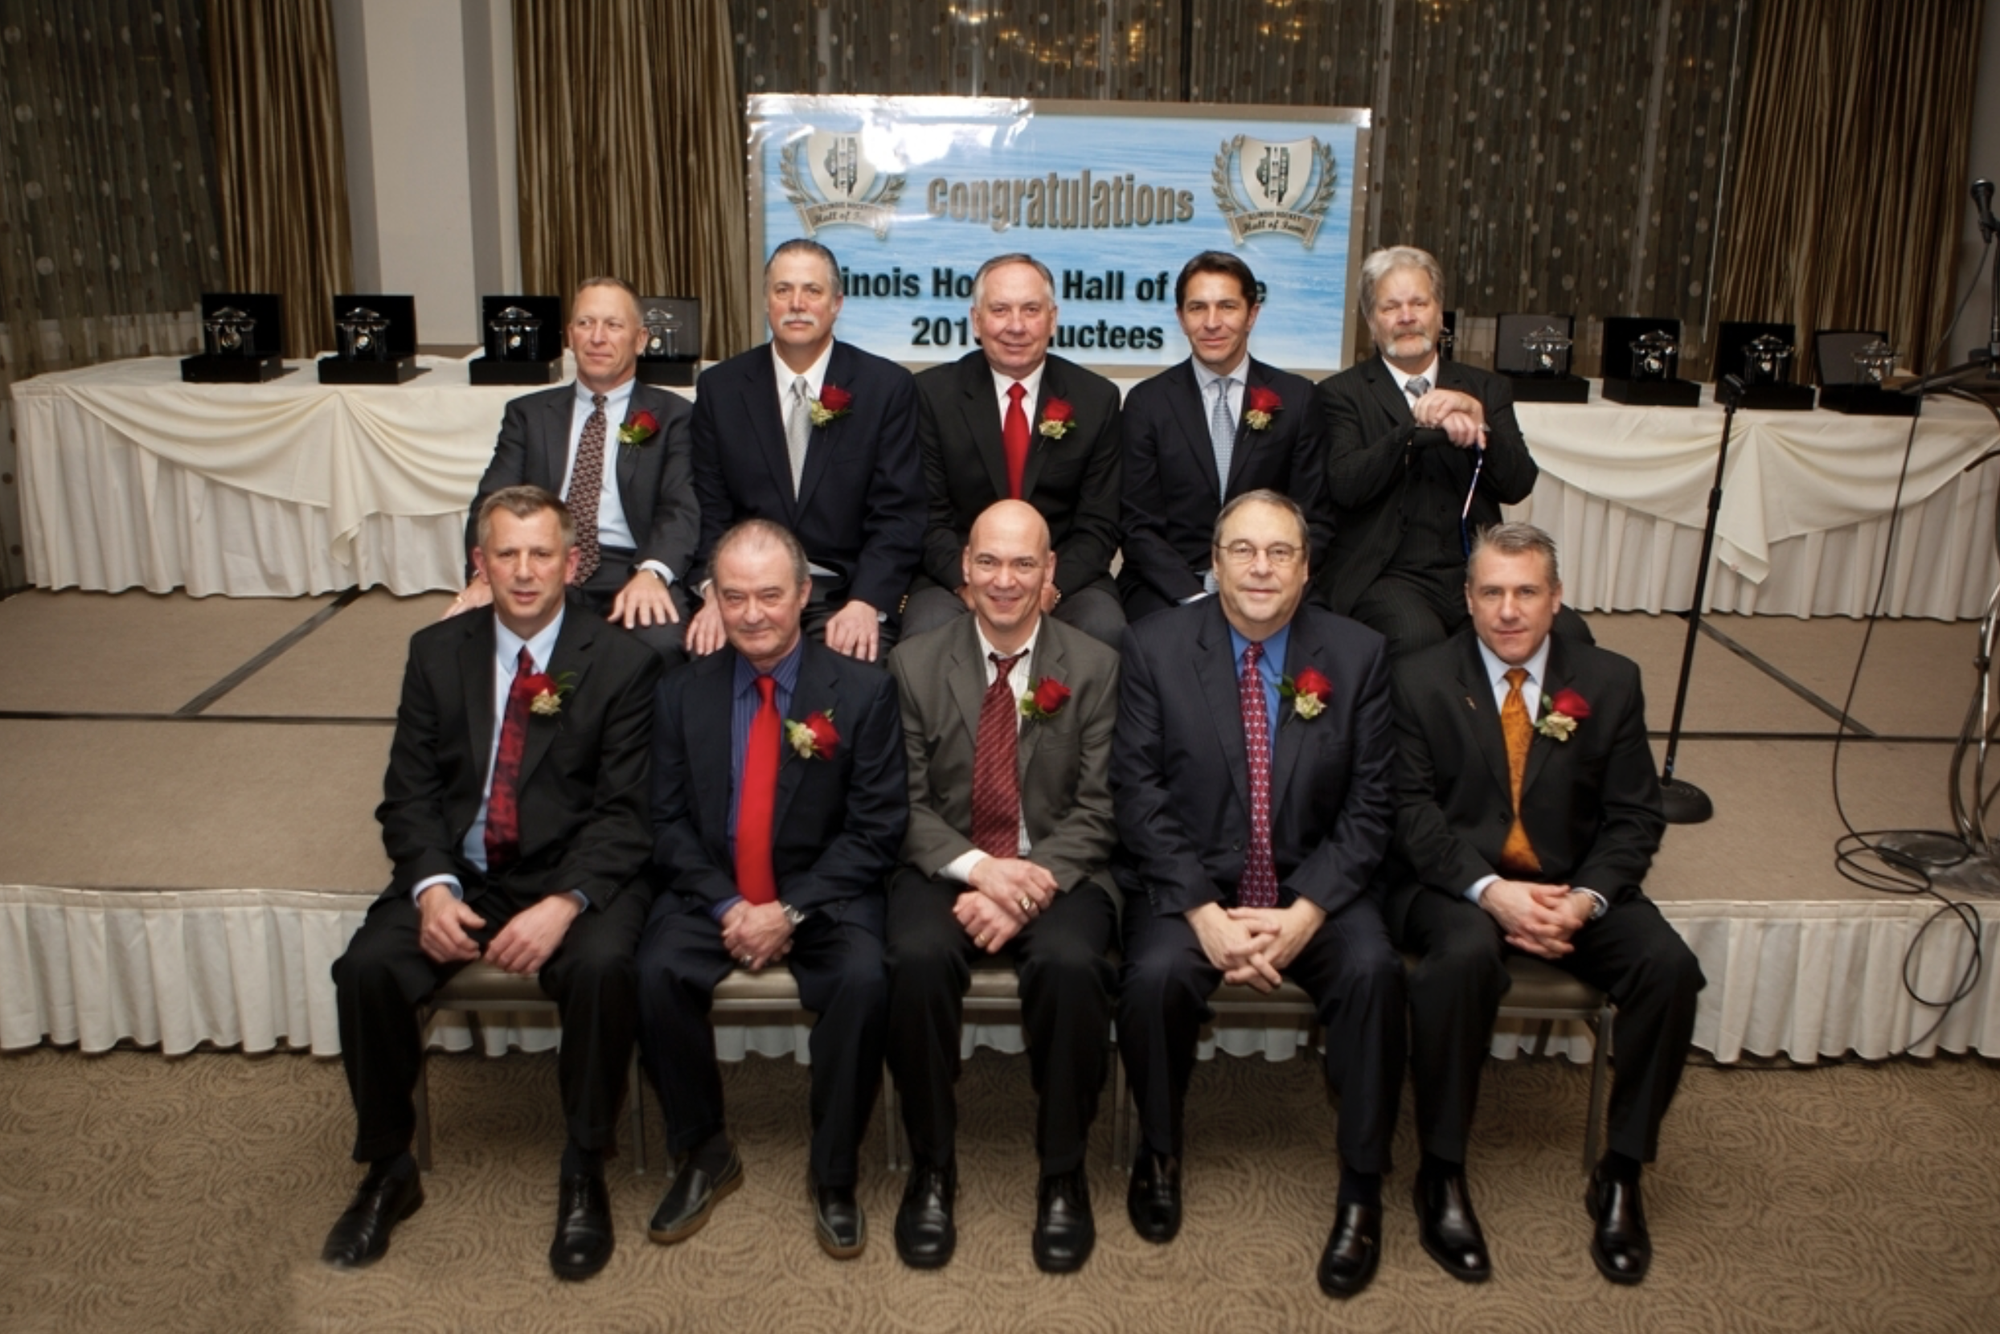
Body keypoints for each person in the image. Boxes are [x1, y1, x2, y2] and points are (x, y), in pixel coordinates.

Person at [324, 485, 661, 1281]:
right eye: (506, 553)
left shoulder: (623, 663)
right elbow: (407, 796)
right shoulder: (434, 652)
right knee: (367, 969)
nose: (524, 570)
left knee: (602, 966)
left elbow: (626, 814)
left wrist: (562, 904)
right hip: (463, 870)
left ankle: (585, 1164)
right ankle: (388, 1168)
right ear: (480, 563)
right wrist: (433, 888)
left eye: (542, 553)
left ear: (573, 564)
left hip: (569, 875)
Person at [1385, 521, 1703, 1286]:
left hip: (1569, 883)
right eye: (1491, 592)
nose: (1508, 610)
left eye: (1526, 592)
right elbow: (1409, 815)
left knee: (1668, 969)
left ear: (1557, 599)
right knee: (1460, 961)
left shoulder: (1610, 680)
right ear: (1467, 599)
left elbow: (1633, 817)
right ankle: (1442, 1172)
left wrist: (1587, 899)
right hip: (1456, 884)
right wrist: (1492, 894)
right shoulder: (1418, 680)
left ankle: (1621, 1172)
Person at [1111, 488, 1405, 1300]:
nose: (1261, 567)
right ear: (1214, 562)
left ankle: (1362, 1187)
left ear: (1308, 569)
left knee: (1374, 973)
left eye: (1280, 552)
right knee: (1155, 977)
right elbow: (1137, 796)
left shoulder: (1358, 655)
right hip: (1195, 886)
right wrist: (1203, 914)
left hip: (1316, 886)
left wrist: (1307, 911)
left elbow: (1371, 805)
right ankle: (1159, 1151)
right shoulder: (1154, 647)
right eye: (1242, 549)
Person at [638, 519, 907, 1260]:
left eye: (769, 595)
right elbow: (664, 823)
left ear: (805, 594)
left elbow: (876, 830)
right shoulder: (679, 692)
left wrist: (789, 911)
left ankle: (834, 1171)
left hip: (821, 894)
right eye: (733, 597)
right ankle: (704, 1152)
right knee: (655, 971)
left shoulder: (863, 692)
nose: (752, 614)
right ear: (713, 600)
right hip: (713, 892)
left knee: (862, 979)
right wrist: (729, 906)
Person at [882, 499, 1121, 1274]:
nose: (1005, 580)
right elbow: (904, 805)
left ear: (1051, 572)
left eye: (1023, 563)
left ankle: (1063, 1171)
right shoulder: (914, 664)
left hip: (1059, 862)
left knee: (1071, 965)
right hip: (950, 862)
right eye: (988, 561)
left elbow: (1100, 807)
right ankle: (931, 1166)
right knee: (916, 958)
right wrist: (983, 872)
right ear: (964, 568)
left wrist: (1027, 884)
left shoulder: (1095, 665)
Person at [1313, 245, 1591, 662]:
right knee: (1418, 641)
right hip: (1388, 573)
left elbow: (1518, 484)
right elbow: (1346, 485)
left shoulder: (1486, 388)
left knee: (1568, 633)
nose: (1406, 316)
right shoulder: (1340, 393)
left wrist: (1481, 424)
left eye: (1419, 303)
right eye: (1390, 307)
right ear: (1371, 321)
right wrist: (1413, 430)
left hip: (1478, 568)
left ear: (1439, 313)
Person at [683, 238, 925, 663]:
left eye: (812, 290)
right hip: (747, 591)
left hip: (841, 593)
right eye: (783, 290)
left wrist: (867, 601)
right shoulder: (721, 389)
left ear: (837, 304)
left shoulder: (886, 388)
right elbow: (710, 508)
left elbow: (898, 513)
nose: (797, 303)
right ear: (766, 301)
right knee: (703, 667)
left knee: (854, 678)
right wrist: (716, 593)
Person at [454, 277, 698, 666]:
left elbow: (681, 507)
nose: (597, 338)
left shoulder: (674, 417)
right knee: (477, 636)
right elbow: (491, 503)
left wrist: (653, 573)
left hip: (631, 562)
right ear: (570, 336)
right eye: (586, 323)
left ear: (640, 339)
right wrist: (483, 577)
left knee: (660, 643)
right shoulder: (528, 415)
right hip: (541, 561)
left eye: (613, 325)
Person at [903, 253, 1125, 647]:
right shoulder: (932, 395)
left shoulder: (1097, 399)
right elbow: (928, 517)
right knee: (928, 631)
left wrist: (1051, 587)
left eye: (1031, 310)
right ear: (976, 321)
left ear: (1052, 319)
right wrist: (970, 584)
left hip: (1060, 577)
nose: (1016, 326)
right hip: (957, 575)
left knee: (1103, 627)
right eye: (1000, 310)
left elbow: (1098, 524)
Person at [1119, 251, 1330, 621]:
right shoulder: (1146, 403)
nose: (1212, 323)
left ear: (1252, 315)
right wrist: (1195, 597)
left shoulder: (1296, 399)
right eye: (1197, 308)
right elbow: (1138, 527)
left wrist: (1265, 583)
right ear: (1181, 318)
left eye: (1227, 307)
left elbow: (1314, 519)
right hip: (1171, 586)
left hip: (1270, 580)